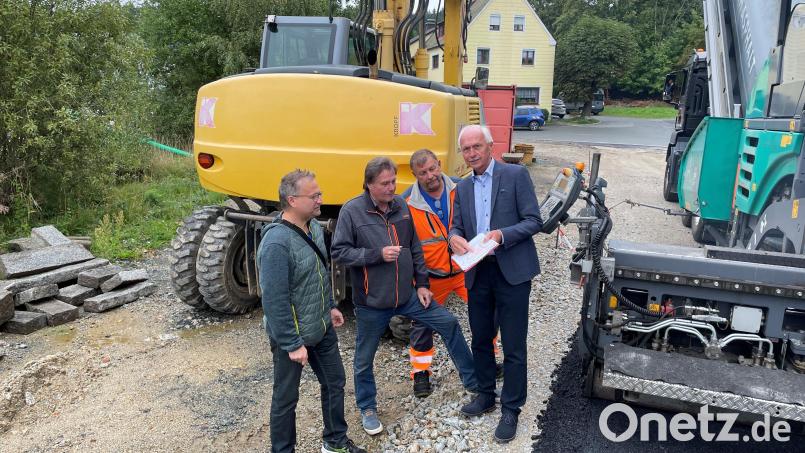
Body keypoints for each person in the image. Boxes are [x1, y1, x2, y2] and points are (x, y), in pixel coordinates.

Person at [331, 157, 477, 436]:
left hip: (408, 296)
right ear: (369, 184)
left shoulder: (401, 206)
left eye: (393, 182)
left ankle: (473, 383)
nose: (391, 188)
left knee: (449, 323)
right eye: (385, 184)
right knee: (364, 358)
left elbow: (415, 248)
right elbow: (339, 252)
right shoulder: (352, 211)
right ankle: (368, 408)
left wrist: (422, 284)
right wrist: (376, 255)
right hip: (372, 303)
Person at [258, 170, 366, 453]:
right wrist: (292, 343)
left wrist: (330, 306)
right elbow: (274, 299)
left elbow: (319, 272)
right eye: (314, 195)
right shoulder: (276, 243)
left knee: (335, 382)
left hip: (321, 326)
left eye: (320, 193)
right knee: (286, 398)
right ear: (292, 200)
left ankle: (335, 442)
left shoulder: (314, 227)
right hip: (293, 336)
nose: (320, 199)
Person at [449, 125, 543, 443]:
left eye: (477, 146)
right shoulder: (462, 187)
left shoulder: (515, 176)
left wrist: (502, 235)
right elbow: (456, 227)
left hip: (511, 271)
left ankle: (511, 408)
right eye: (466, 149)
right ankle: (486, 394)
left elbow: (534, 221)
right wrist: (453, 238)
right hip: (478, 272)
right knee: (480, 338)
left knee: (513, 344)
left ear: (490, 146)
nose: (472, 153)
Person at [401, 149, 503, 398]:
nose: (430, 175)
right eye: (423, 173)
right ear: (414, 175)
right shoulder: (406, 203)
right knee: (422, 324)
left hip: (465, 271)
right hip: (430, 277)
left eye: (432, 168)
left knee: (486, 314)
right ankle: (421, 372)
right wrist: (416, 280)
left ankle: (488, 360)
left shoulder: (462, 188)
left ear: (439, 164)